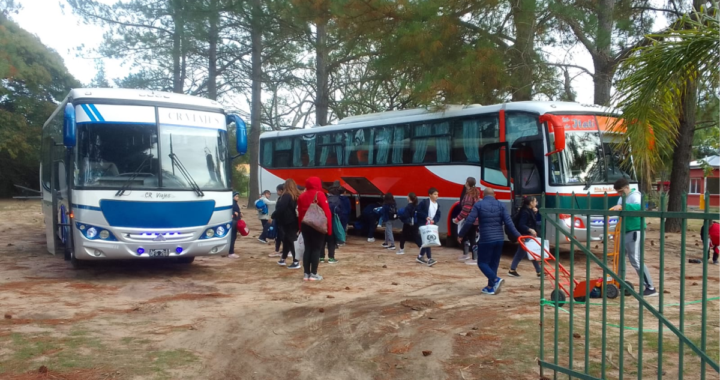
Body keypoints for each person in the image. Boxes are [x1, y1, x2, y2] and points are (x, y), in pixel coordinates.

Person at [458, 188, 521, 295]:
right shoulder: (501, 205)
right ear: (494, 194)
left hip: (486, 239)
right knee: (494, 263)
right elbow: (509, 223)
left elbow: (469, 221)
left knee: (482, 263)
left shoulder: (479, 205)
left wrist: (461, 234)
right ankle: (491, 287)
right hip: (499, 239)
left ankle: (495, 279)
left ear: (483, 194)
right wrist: (518, 236)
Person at [610, 178, 657, 296]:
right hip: (624, 231)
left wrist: (622, 206)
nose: (619, 194)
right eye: (618, 192)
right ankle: (619, 281)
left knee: (635, 259)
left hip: (635, 230)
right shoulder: (622, 197)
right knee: (620, 257)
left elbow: (638, 207)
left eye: (621, 191)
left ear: (627, 187)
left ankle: (650, 287)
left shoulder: (635, 195)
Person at [297, 177, 332, 281]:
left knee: (307, 248)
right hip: (317, 225)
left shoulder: (302, 196)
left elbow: (300, 214)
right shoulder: (320, 194)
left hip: (305, 225)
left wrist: (300, 227)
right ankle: (314, 274)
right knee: (316, 249)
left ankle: (306, 274)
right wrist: (329, 228)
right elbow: (327, 212)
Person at [508, 196, 542, 277]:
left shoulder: (528, 210)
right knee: (530, 252)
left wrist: (535, 213)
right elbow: (521, 225)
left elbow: (532, 221)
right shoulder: (525, 212)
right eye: (535, 201)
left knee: (525, 252)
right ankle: (539, 271)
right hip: (525, 235)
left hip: (527, 235)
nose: (536, 203)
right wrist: (530, 230)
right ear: (530, 203)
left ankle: (512, 269)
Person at [271, 179, 301, 269]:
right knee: (287, 240)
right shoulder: (296, 195)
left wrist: (273, 216)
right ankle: (283, 258)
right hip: (294, 220)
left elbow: (281, 208)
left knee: (291, 240)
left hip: (287, 221)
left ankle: (296, 261)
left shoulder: (286, 195)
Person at [453, 178, 481, 262]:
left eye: (466, 182)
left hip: (470, 220)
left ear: (468, 183)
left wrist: (457, 219)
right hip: (475, 220)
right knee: (466, 236)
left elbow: (466, 209)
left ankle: (474, 258)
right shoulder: (475, 193)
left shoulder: (469, 195)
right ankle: (467, 255)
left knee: (471, 237)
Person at [416, 188, 441, 266]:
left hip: (431, 225)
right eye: (434, 194)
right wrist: (425, 217)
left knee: (426, 241)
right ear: (430, 195)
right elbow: (418, 211)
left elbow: (438, 215)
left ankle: (420, 256)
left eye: (437, 194)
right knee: (428, 240)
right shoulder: (424, 202)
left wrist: (434, 220)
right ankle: (430, 258)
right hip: (424, 225)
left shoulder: (437, 205)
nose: (436, 196)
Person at [323, 185, 348, 263]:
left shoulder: (325, 199)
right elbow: (340, 212)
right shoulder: (337, 200)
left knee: (322, 240)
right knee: (331, 241)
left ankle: (321, 257)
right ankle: (331, 258)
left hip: (322, 222)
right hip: (332, 222)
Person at [269, 184, 284, 257]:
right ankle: (277, 250)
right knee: (278, 236)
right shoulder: (280, 198)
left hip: (281, 220)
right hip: (278, 220)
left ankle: (283, 250)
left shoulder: (283, 199)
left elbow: (279, 210)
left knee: (282, 236)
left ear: (281, 191)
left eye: (277, 190)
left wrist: (272, 216)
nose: (277, 192)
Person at [229, 192, 241, 259]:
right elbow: (229, 210)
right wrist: (234, 213)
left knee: (233, 237)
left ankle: (230, 251)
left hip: (236, 221)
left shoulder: (235, 203)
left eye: (238, 196)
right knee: (232, 237)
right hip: (233, 222)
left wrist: (239, 213)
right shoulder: (232, 203)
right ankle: (231, 252)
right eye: (236, 196)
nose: (237, 197)